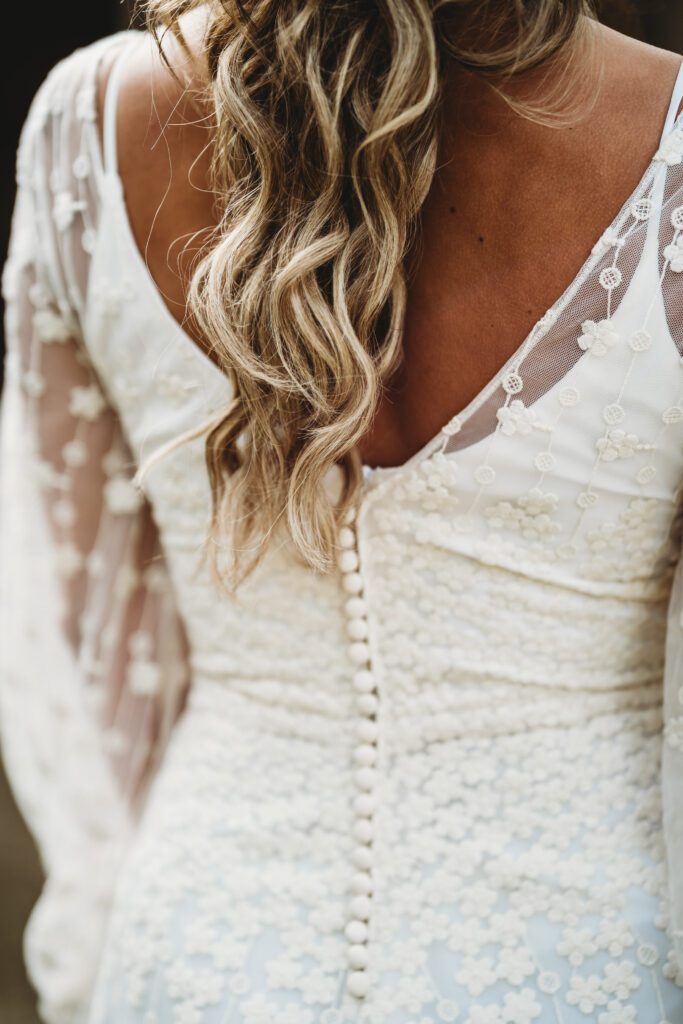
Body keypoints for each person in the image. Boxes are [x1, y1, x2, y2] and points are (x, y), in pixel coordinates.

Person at [2, 1, 683, 1021]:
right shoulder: (664, 136)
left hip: (200, 955)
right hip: (583, 963)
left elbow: (69, 634)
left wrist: (95, 941)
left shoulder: (91, 126)